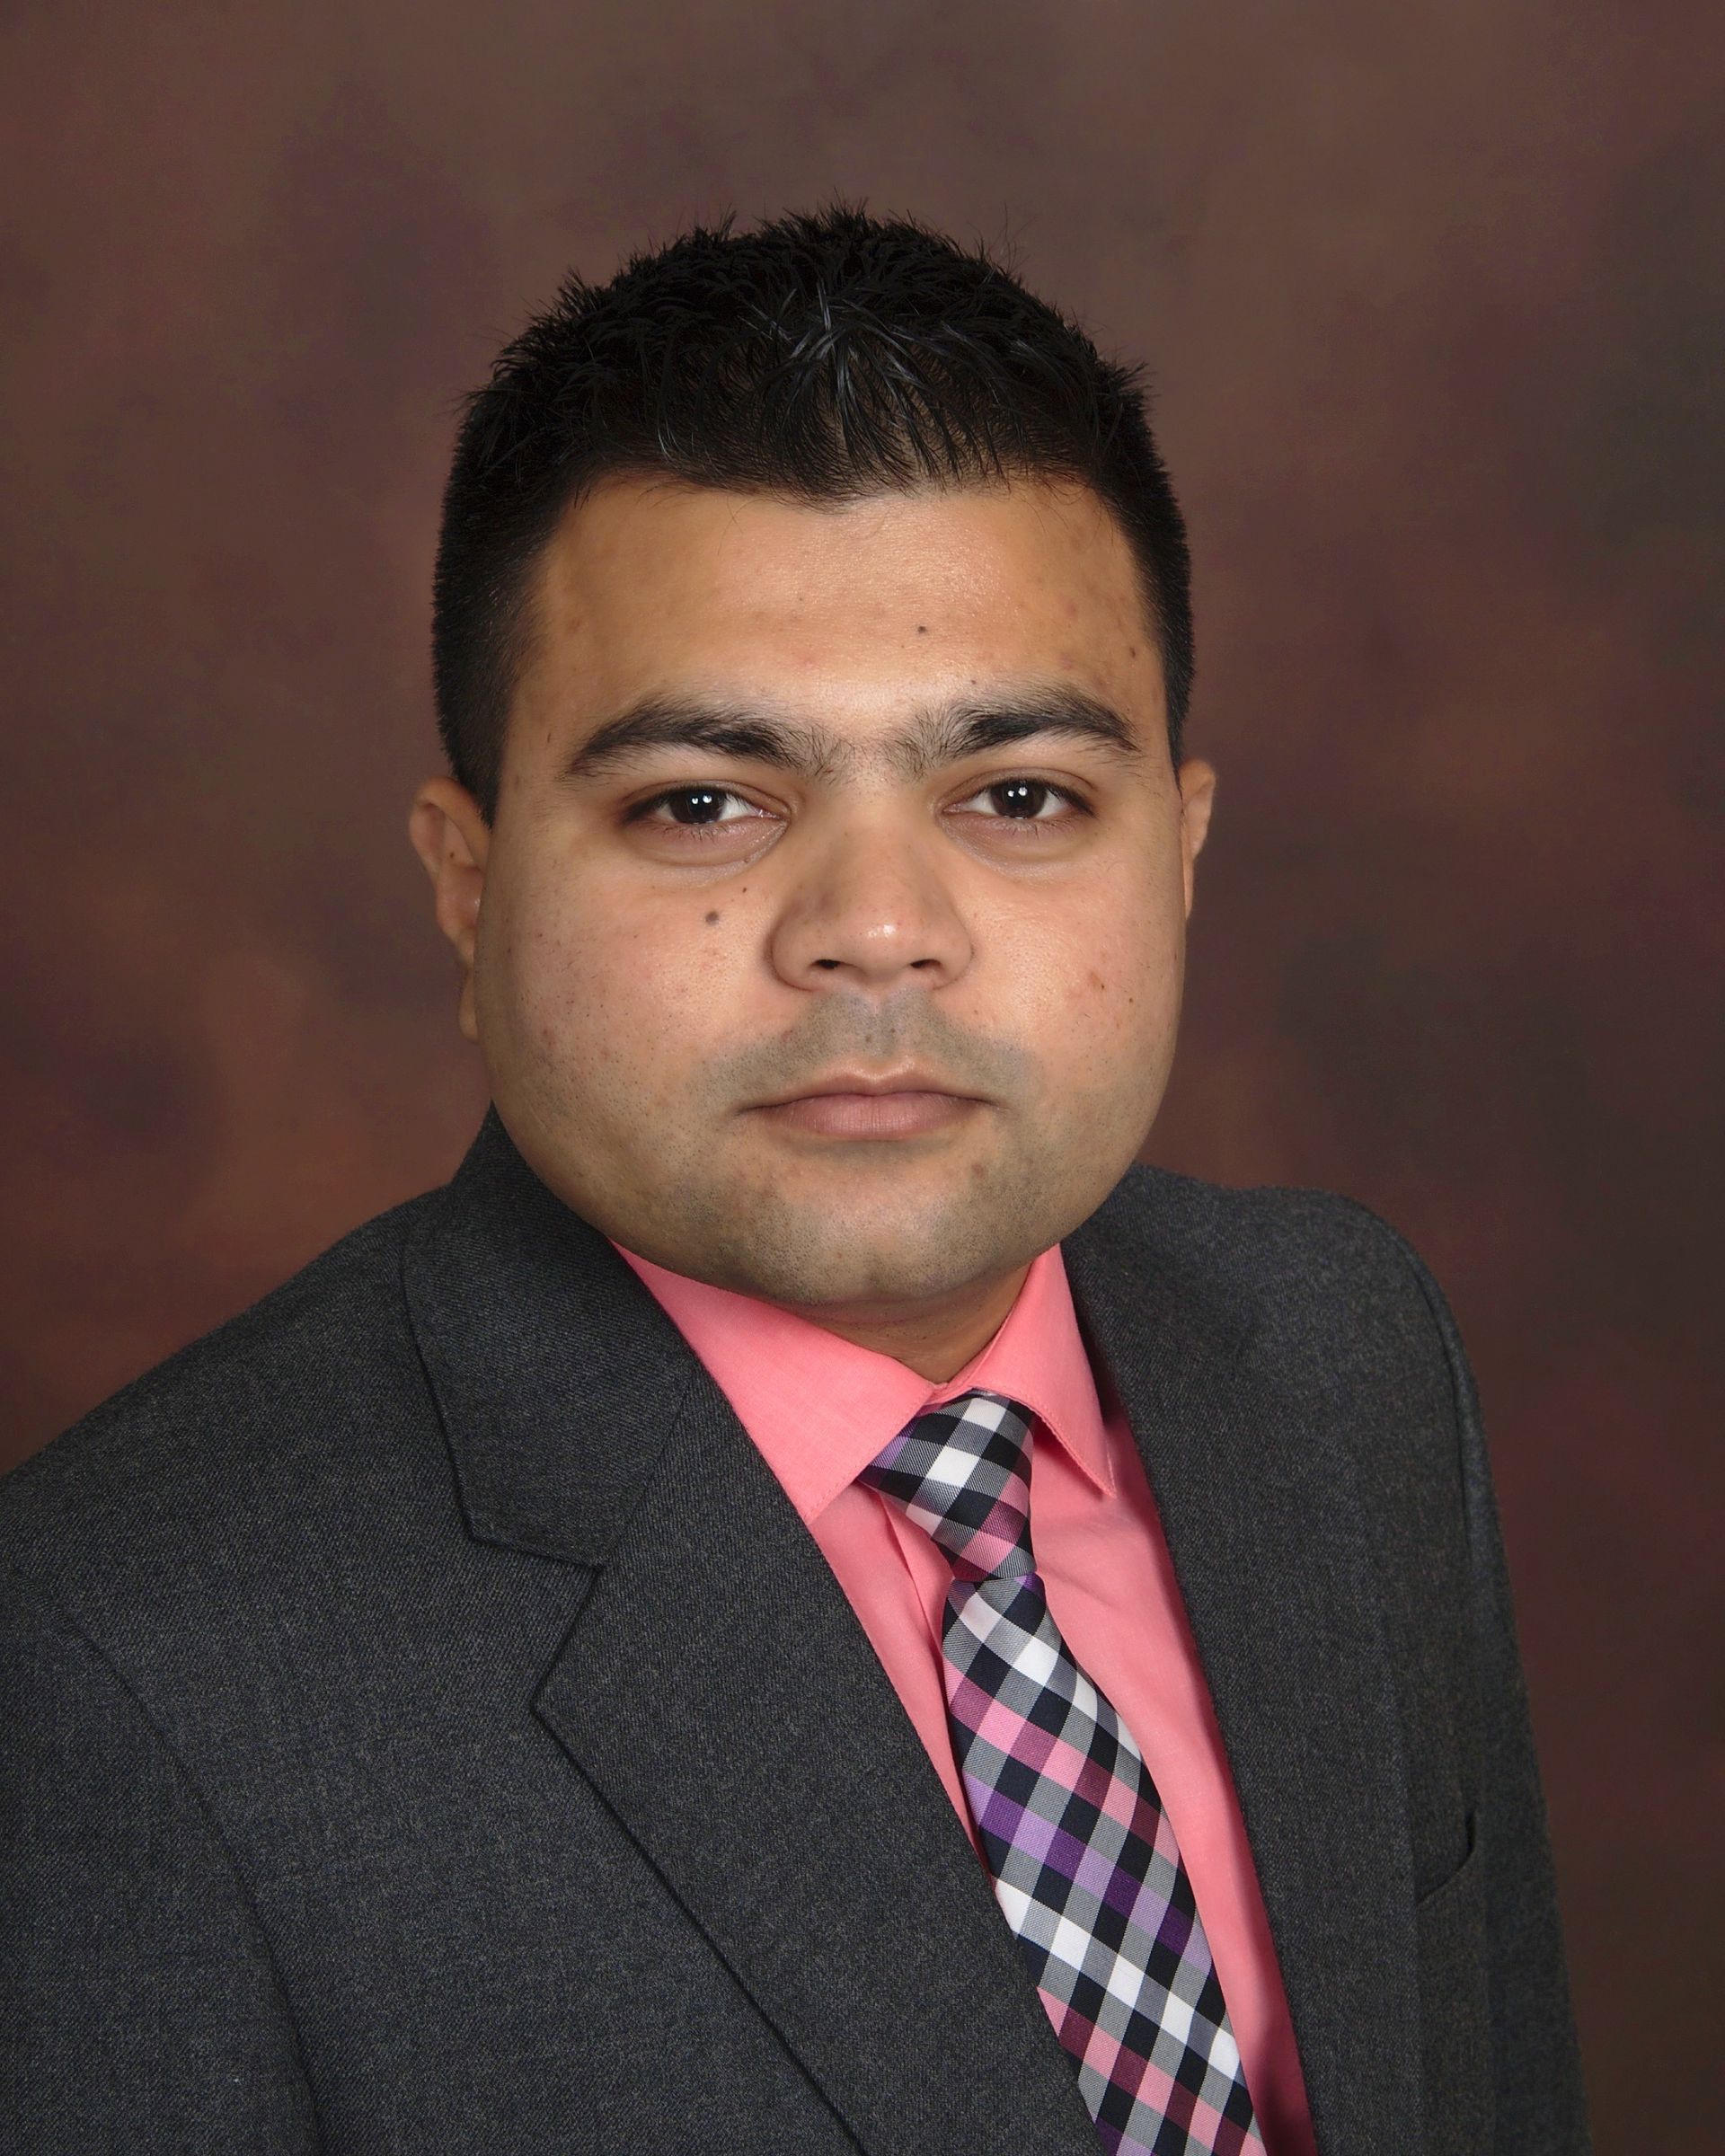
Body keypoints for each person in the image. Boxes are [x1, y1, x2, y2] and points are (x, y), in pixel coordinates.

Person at [0, 205, 1588, 2155]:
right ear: (469, 877)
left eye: (1017, 797)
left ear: (1178, 848)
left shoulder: (1343, 1354)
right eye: (703, 803)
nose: (875, 932)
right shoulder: (116, 1664)